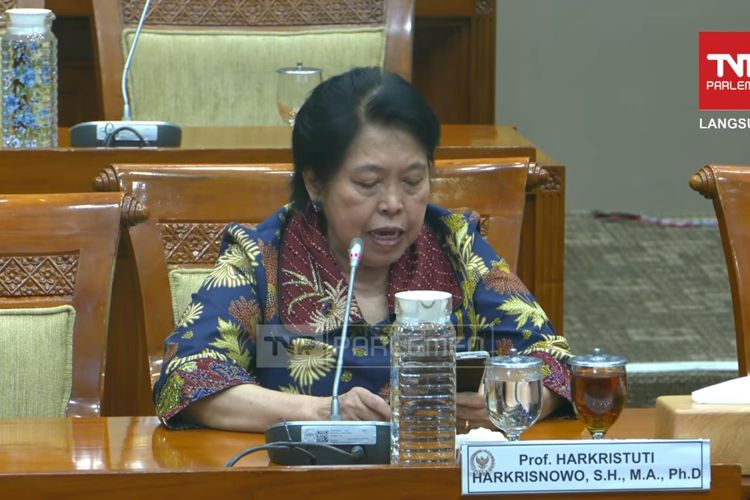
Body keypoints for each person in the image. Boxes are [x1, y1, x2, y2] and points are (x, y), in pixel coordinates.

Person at [153, 67, 572, 432]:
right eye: (368, 184)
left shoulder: (457, 245)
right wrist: (321, 412)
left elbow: (555, 363)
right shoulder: (262, 257)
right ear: (316, 182)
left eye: (412, 181)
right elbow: (185, 378)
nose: (393, 203)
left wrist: (508, 401)